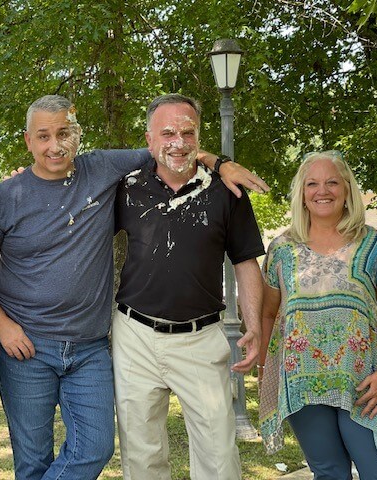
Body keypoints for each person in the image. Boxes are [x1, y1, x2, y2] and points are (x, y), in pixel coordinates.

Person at [0, 94, 268, 480]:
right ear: (28, 141)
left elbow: (175, 151)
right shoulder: (19, 195)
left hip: (139, 341)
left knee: (124, 450)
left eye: (63, 133)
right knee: (78, 458)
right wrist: (2, 325)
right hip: (79, 340)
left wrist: (221, 162)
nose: (54, 145)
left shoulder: (119, 173)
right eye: (43, 136)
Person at [112, 93, 265, 480]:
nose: (177, 142)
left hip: (201, 337)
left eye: (187, 131)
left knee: (218, 455)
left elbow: (246, 263)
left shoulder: (226, 191)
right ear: (148, 140)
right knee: (141, 456)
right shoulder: (125, 187)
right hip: (135, 335)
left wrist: (255, 327)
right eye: (167, 132)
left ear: (199, 137)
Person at [258, 151, 377, 479]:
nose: (323, 190)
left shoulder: (375, 244)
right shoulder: (282, 249)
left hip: (365, 383)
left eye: (332, 182)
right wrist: (265, 370)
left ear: (347, 190)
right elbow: (267, 314)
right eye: (312, 183)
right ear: (302, 194)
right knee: (329, 473)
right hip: (302, 384)